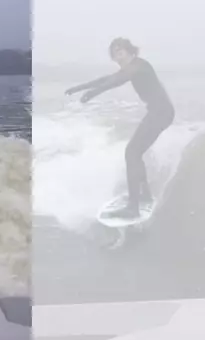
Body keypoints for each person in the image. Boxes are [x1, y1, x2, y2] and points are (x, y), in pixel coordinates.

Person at [65, 38, 175, 220]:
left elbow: (117, 81)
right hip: (159, 112)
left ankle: (133, 208)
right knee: (135, 152)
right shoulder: (131, 68)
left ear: (131, 52)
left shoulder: (140, 65)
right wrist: (80, 87)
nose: (118, 56)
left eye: (120, 51)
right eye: (114, 53)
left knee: (131, 152)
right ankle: (144, 195)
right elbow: (108, 79)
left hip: (161, 113)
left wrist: (92, 93)